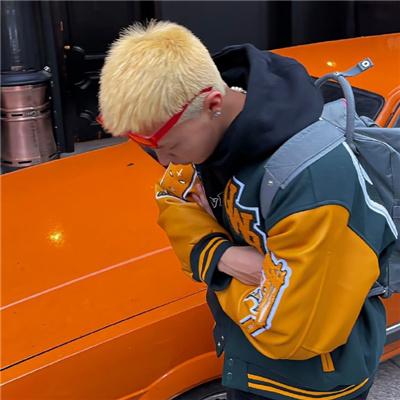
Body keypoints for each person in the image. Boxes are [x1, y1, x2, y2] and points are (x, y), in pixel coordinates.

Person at [98, 20, 396, 400]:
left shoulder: (313, 181)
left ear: (213, 104)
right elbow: (171, 197)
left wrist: (214, 268)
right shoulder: (206, 138)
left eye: (169, 146)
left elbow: (291, 330)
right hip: (246, 361)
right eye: (149, 148)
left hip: (314, 383)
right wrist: (225, 257)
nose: (164, 161)